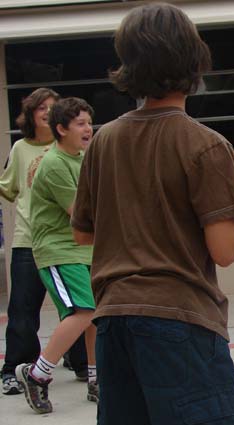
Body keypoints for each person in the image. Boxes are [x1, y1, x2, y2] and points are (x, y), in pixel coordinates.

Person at [70, 4, 234, 424]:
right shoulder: (204, 145)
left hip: (113, 319)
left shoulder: (103, 141)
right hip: (179, 320)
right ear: (194, 60)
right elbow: (225, 250)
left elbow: (82, 234)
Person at [0, 88, 88, 395]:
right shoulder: (23, 149)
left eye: (54, 107)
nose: (48, 112)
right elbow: (8, 188)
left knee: (78, 307)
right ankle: (19, 369)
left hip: (75, 243)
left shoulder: (73, 150)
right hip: (32, 240)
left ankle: (82, 364)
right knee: (25, 310)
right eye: (42, 108)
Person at [15, 97, 98, 414]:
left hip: (85, 249)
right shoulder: (54, 164)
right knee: (83, 310)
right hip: (59, 250)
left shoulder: (82, 158)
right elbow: (80, 214)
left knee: (96, 315)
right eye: (80, 123)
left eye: (89, 123)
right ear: (61, 129)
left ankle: (96, 379)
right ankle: (37, 374)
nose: (88, 128)